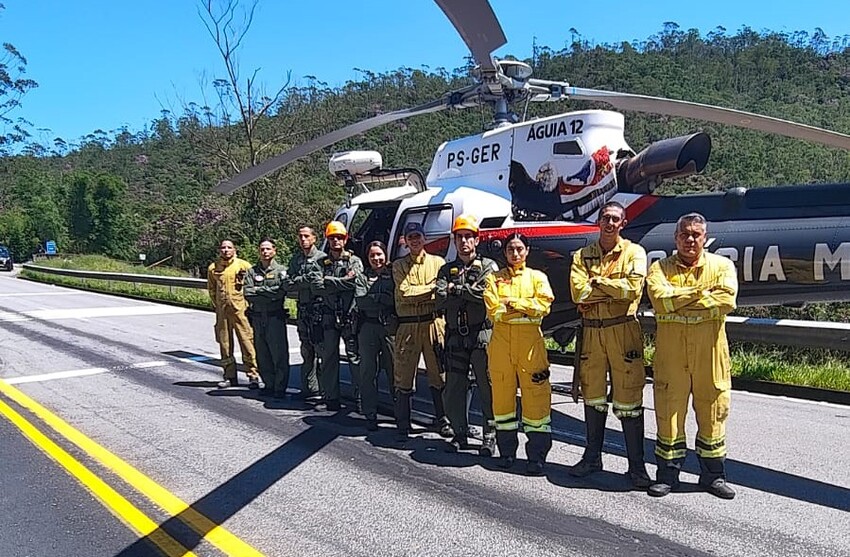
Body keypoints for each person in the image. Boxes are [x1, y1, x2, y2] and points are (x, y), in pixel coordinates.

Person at [645, 212, 738, 499]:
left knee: (713, 410)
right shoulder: (659, 268)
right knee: (669, 411)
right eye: (684, 234)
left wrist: (679, 299)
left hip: (710, 354)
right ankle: (668, 475)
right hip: (671, 355)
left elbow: (726, 300)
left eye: (696, 234)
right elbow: (660, 300)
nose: (690, 239)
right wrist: (699, 294)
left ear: (704, 237)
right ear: (675, 237)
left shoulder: (722, 266)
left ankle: (713, 476)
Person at [568, 201, 651, 488]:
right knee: (593, 396)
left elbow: (633, 291)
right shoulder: (583, 255)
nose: (610, 223)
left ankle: (637, 467)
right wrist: (609, 291)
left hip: (622, 330)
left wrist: (598, 283)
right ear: (598, 221)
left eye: (615, 219)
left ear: (623, 223)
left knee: (629, 399)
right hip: (592, 332)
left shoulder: (634, 253)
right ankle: (592, 457)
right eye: (605, 218)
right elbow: (579, 294)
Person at [483, 233, 555, 475]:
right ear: (505, 252)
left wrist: (515, 304)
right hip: (501, 347)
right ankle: (506, 452)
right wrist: (525, 307)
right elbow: (494, 311)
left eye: (519, 249)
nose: (515, 253)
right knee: (502, 402)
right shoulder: (494, 279)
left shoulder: (538, 278)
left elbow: (543, 308)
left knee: (536, 399)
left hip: (530, 348)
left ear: (527, 251)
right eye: (510, 249)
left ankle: (536, 456)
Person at [436, 214, 498, 454]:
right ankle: (459, 432)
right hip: (454, 337)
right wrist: (464, 292)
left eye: (468, 237)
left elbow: (484, 296)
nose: (463, 242)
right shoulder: (446, 270)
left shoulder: (489, 267)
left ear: (476, 239)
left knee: (486, 386)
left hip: (480, 335)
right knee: (454, 387)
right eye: (459, 237)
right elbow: (440, 299)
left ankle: (489, 435)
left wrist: (457, 290)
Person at [392, 221, 452, 439]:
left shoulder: (438, 262)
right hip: (408, 325)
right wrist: (432, 289)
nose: (415, 240)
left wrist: (426, 292)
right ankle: (403, 422)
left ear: (424, 238)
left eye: (418, 236)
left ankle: (443, 419)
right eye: (411, 238)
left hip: (434, 323)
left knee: (439, 373)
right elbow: (405, 292)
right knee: (404, 373)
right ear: (406, 242)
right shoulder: (399, 266)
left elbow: (443, 293)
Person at [312, 221, 363, 411]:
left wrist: (329, 281)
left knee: (355, 358)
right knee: (329, 357)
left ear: (345, 239)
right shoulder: (320, 263)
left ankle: (360, 398)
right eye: (332, 238)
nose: (336, 241)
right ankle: (331, 398)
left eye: (339, 238)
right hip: (328, 316)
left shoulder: (354, 261)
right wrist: (342, 281)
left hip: (349, 316)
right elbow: (317, 286)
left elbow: (354, 284)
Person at [207, 239, 261, 389]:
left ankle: (253, 375)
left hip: (240, 310)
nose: (225, 250)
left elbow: (254, 287)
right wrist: (217, 305)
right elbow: (211, 289)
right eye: (223, 247)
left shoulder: (244, 266)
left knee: (247, 342)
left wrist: (251, 306)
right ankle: (229, 376)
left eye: (229, 247)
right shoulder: (213, 267)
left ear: (234, 250)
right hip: (222, 311)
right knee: (225, 344)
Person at [354, 240, 396, 430]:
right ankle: (370, 413)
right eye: (372, 255)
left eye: (379, 254)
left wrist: (376, 298)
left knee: (395, 371)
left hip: (389, 327)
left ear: (385, 255)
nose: (376, 259)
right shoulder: (362, 277)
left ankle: (400, 414)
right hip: (368, 327)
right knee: (368, 372)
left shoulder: (394, 274)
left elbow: (395, 299)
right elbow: (361, 301)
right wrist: (382, 298)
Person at [244, 238, 290, 398]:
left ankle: (280, 387)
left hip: (274, 317)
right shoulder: (252, 271)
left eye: (268, 249)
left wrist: (260, 291)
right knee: (262, 353)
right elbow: (248, 294)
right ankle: (269, 384)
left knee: (278, 353)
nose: (265, 252)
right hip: (257, 318)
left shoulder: (282, 271)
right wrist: (268, 293)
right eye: (262, 249)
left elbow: (280, 293)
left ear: (274, 251)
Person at [284, 226, 324, 401]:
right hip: (303, 309)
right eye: (300, 236)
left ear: (314, 238)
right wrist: (305, 280)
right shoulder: (296, 259)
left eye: (307, 236)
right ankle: (309, 388)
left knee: (321, 351)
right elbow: (287, 284)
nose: (303, 239)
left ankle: (324, 391)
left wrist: (300, 281)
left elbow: (321, 284)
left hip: (319, 309)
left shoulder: (323, 259)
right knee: (306, 351)